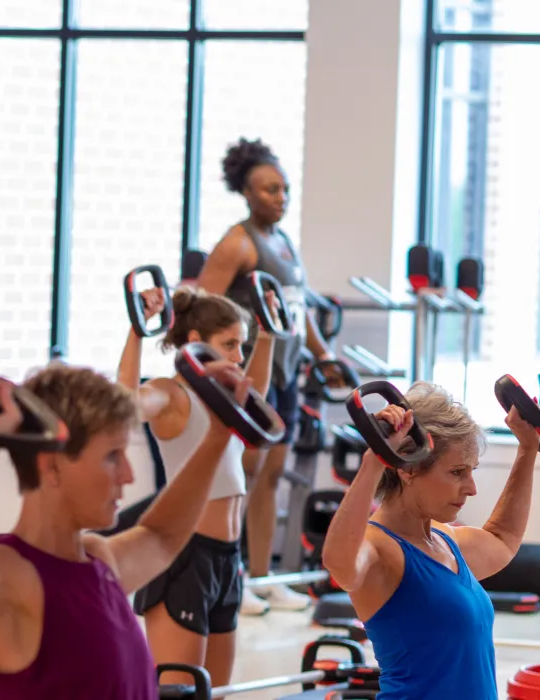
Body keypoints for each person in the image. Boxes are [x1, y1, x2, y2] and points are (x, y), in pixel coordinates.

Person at [0, 362, 250, 698]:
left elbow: (162, 537)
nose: (128, 475)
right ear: (51, 467)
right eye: (113, 456)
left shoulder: (99, 559)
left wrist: (217, 436)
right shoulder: (9, 579)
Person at [324, 384, 539, 700]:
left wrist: (527, 449)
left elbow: (502, 539)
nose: (471, 488)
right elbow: (339, 563)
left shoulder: (444, 540)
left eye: (472, 471)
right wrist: (375, 461)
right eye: (457, 472)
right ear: (408, 469)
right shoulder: (379, 549)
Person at [194, 137, 334, 614]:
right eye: (270, 190)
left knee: (272, 473)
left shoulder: (283, 243)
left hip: (287, 373)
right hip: (252, 373)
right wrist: (216, 367)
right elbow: (201, 309)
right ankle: (231, 573)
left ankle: (262, 575)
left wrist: (324, 354)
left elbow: (298, 309)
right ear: (247, 193)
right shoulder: (237, 244)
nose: (281, 198)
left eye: (285, 189)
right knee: (246, 473)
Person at [117, 287, 274, 686]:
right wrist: (137, 332)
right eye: (230, 345)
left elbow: (259, 387)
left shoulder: (230, 400)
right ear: (195, 343)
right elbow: (125, 405)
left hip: (226, 559)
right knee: (178, 693)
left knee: (215, 692)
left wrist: (269, 332)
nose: (239, 356)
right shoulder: (170, 394)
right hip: (185, 555)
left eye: (242, 345)